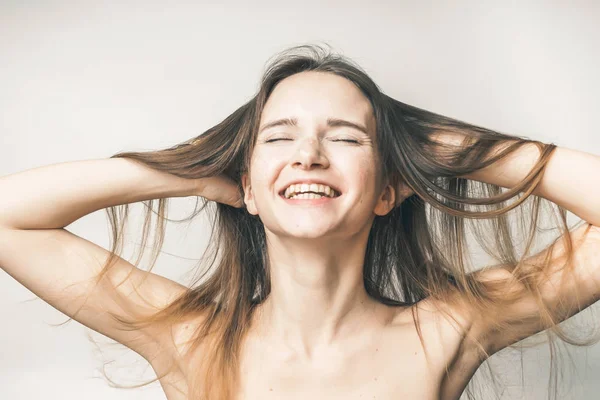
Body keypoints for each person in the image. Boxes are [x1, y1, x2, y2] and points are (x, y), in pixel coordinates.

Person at [1, 44, 599, 400]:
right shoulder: (190, 339)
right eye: (279, 137)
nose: (309, 154)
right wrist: (193, 169)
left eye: (344, 137)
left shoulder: (446, 330)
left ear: (389, 191)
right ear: (249, 189)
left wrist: (442, 148)